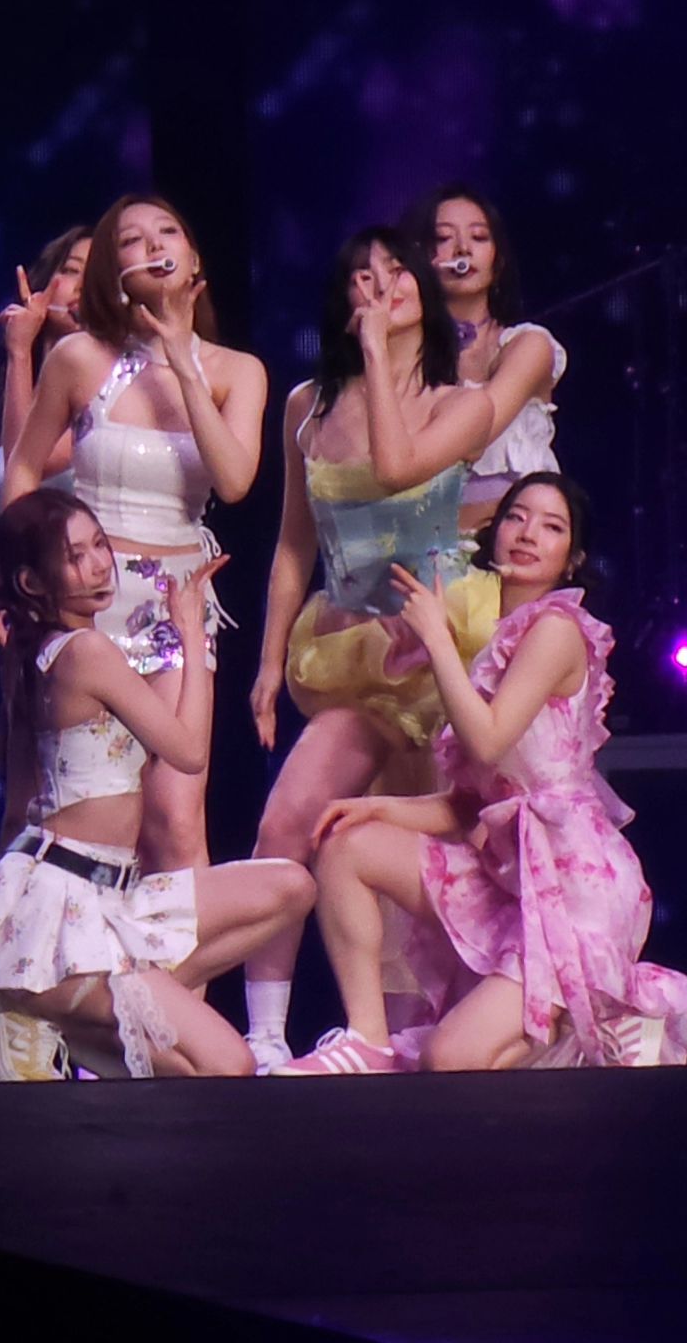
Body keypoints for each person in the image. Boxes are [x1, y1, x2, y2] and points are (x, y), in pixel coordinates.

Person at [280, 473, 687, 1074]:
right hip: (507, 881)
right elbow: (467, 805)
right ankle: (367, 1039)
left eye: (552, 527)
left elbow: (488, 737)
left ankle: (599, 1025)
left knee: (448, 1059)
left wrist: (436, 639)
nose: (528, 534)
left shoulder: (557, 631)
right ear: (494, 532)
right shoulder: (499, 646)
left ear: (572, 560)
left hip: (572, 894)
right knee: (346, 846)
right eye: (517, 517)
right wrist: (375, 808)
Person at [0, 490, 312, 1078]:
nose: (99, 565)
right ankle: (53, 1010)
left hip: (113, 902)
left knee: (292, 887)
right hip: (71, 910)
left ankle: (81, 1021)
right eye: (75, 557)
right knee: (226, 1065)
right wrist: (192, 633)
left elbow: (20, 807)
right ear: (33, 582)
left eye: (99, 546)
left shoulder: (48, 654)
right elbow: (188, 752)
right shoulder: (86, 651)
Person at [244, 226, 497, 1070]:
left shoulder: (463, 402)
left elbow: (395, 468)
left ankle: (432, 1042)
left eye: (396, 271)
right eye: (364, 274)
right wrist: (268, 665)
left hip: (442, 653)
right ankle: (265, 1038)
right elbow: (292, 545)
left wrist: (383, 359)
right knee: (289, 818)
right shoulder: (306, 406)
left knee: (450, 855)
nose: (382, 285)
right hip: (354, 656)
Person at [3, 195, 268, 885]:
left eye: (168, 232)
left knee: (175, 821)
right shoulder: (78, 358)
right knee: (65, 808)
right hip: (82, 607)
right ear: (110, 269)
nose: (152, 246)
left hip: (177, 610)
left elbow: (235, 480)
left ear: (195, 259)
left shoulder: (237, 371)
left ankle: (174, 960)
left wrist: (183, 358)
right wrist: (33, 574)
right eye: (130, 240)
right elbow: (23, 468)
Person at [0, 227, 90, 839]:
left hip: (98, 619)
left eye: (98, 273)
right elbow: (10, 529)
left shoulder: (109, 386)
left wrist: (23, 354)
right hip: (33, 626)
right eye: (72, 269)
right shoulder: (19, 388)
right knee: (26, 815)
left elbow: (28, 471)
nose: (81, 286)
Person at [402, 184, 567, 533]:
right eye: (443, 238)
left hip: (516, 547)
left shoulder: (528, 345)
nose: (463, 249)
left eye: (478, 237)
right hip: (427, 547)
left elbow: (476, 434)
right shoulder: (403, 357)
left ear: (498, 260)